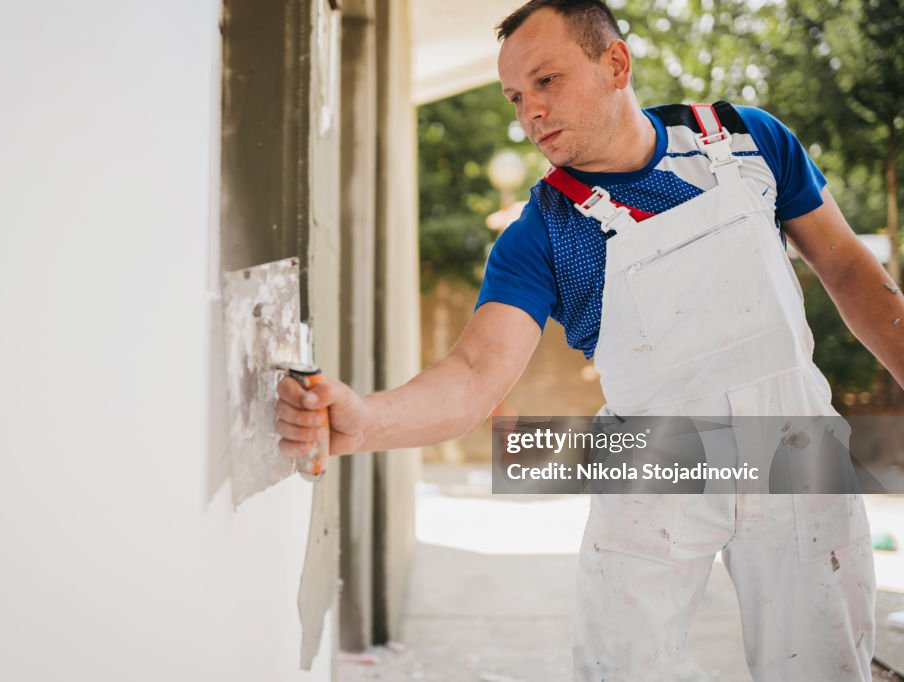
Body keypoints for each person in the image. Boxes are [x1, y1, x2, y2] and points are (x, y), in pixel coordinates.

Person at [276, 1, 904, 679]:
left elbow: (850, 271)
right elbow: (473, 373)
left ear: (616, 63)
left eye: (546, 81)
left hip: (796, 447)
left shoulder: (747, 142)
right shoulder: (542, 232)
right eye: (516, 96)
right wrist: (366, 421)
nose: (530, 113)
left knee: (823, 666)